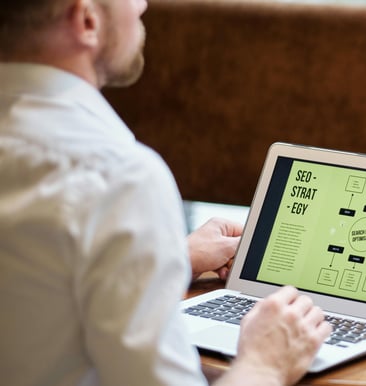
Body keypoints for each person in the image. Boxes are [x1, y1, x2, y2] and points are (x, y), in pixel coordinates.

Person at [0, 0, 331, 385]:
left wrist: (164, 259)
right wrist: (265, 364)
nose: (143, 4)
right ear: (87, 20)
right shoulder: (118, 178)